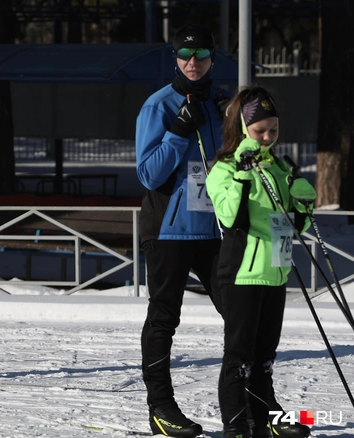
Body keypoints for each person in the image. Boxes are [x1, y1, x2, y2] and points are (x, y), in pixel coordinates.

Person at [206, 86, 314, 438]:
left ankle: (268, 417)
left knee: (266, 358)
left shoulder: (281, 166)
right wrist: (240, 173)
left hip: (276, 270)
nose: (268, 138)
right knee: (239, 358)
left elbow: (292, 225)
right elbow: (229, 217)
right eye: (260, 131)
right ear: (241, 128)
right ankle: (236, 426)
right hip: (243, 273)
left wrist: (303, 206)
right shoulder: (224, 168)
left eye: (274, 130)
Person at [135, 24, 228, 438]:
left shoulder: (223, 103)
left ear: (212, 58)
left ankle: (258, 401)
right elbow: (149, 175)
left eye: (201, 54)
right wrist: (177, 132)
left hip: (214, 229)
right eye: (186, 54)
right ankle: (161, 407)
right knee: (164, 318)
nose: (193, 62)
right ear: (175, 57)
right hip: (168, 231)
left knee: (242, 314)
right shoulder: (158, 105)